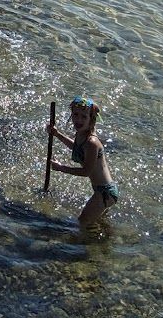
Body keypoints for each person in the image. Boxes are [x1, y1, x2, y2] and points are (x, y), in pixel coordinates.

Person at [48, 95, 119, 230]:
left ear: (91, 120)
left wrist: (60, 167)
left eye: (84, 117)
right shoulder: (81, 134)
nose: (78, 119)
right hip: (101, 191)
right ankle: (105, 240)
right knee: (98, 223)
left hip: (105, 193)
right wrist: (57, 134)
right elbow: (76, 148)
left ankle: (86, 247)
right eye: (75, 114)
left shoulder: (92, 143)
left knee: (83, 222)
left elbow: (86, 172)